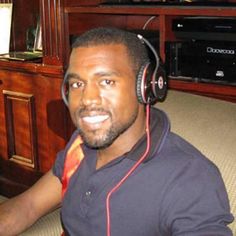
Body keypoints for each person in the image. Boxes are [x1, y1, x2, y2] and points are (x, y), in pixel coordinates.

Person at [0, 27, 234, 236]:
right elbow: (28, 205)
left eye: (107, 82)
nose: (87, 100)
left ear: (146, 87)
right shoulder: (79, 145)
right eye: (77, 84)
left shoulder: (189, 177)